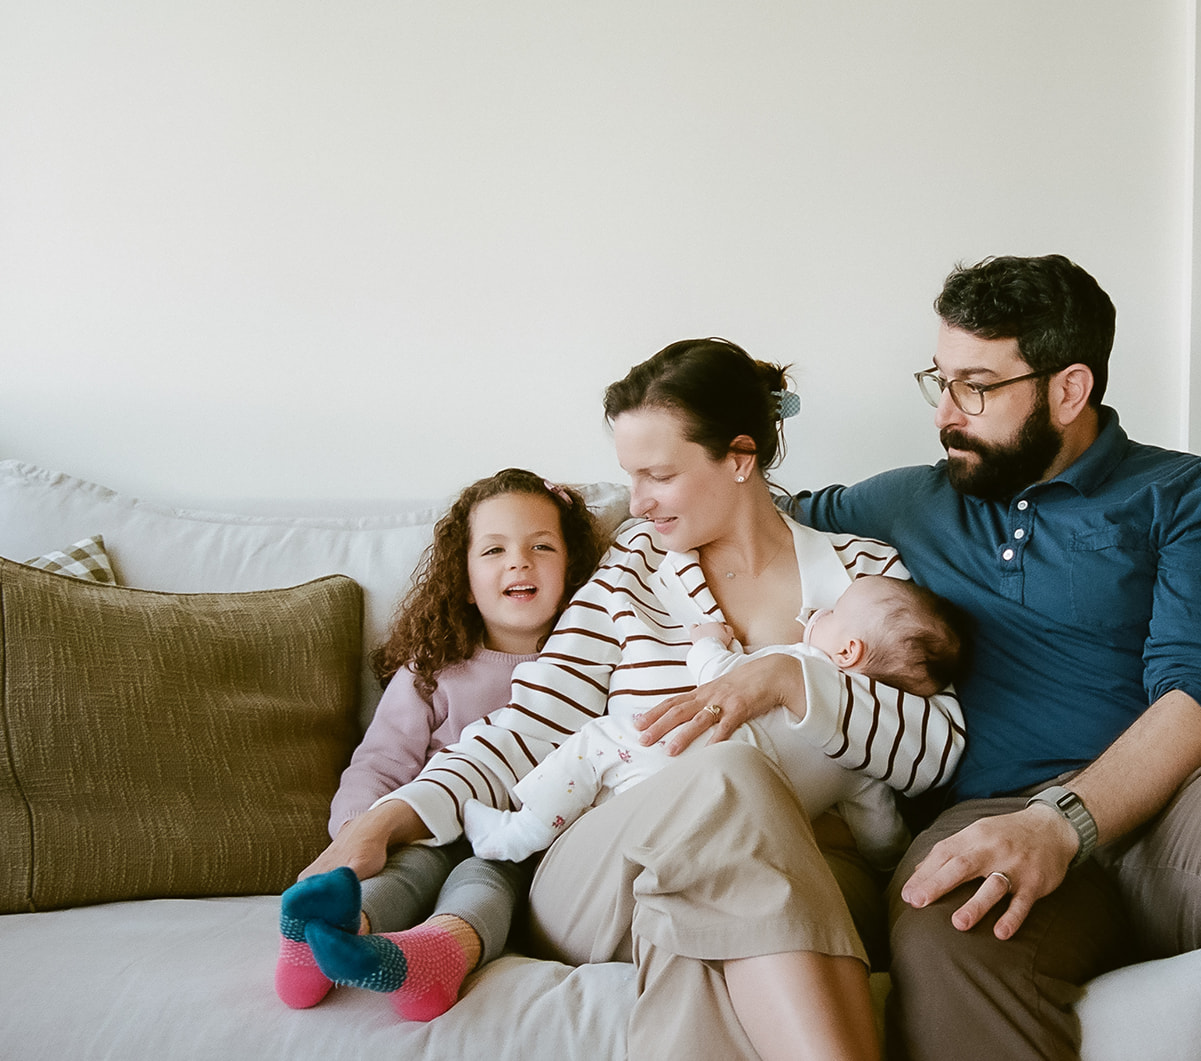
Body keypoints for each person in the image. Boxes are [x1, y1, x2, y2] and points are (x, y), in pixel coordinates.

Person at [662, 256, 1201, 1060]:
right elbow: (748, 519)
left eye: (975, 387)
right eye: (939, 380)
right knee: (946, 923)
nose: (946, 413)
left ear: (1068, 389)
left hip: (1190, 804)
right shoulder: (911, 499)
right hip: (993, 812)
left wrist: (1064, 823)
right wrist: (546, 522)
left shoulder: (1195, 495)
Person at [298, 338, 965, 1061]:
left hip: (802, 876)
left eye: (657, 475)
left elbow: (936, 748)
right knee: (727, 775)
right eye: (630, 475)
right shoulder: (633, 569)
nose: (635, 502)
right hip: (600, 869)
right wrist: (387, 819)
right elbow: (530, 724)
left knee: (694, 912)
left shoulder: (864, 577)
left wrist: (787, 680)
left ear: (740, 457)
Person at [275, 468, 605, 1021]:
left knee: (483, 881)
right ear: (465, 579)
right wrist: (356, 837)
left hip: (521, 846)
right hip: (425, 832)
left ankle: (436, 958)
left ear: (572, 567)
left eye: (541, 546)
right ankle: (324, 937)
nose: (518, 563)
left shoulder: (588, 669)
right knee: (407, 874)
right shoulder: (433, 668)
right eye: (494, 550)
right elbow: (379, 762)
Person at [462, 573, 967, 871]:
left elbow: (722, 681)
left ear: (848, 650)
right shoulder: (865, 754)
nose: (820, 610)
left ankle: (520, 830)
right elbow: (880, 832)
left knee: (595, 744)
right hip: (723, 831)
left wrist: (708, 641)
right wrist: (889, 861)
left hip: (672, 757)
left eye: (834, 611)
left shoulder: (804, 665)